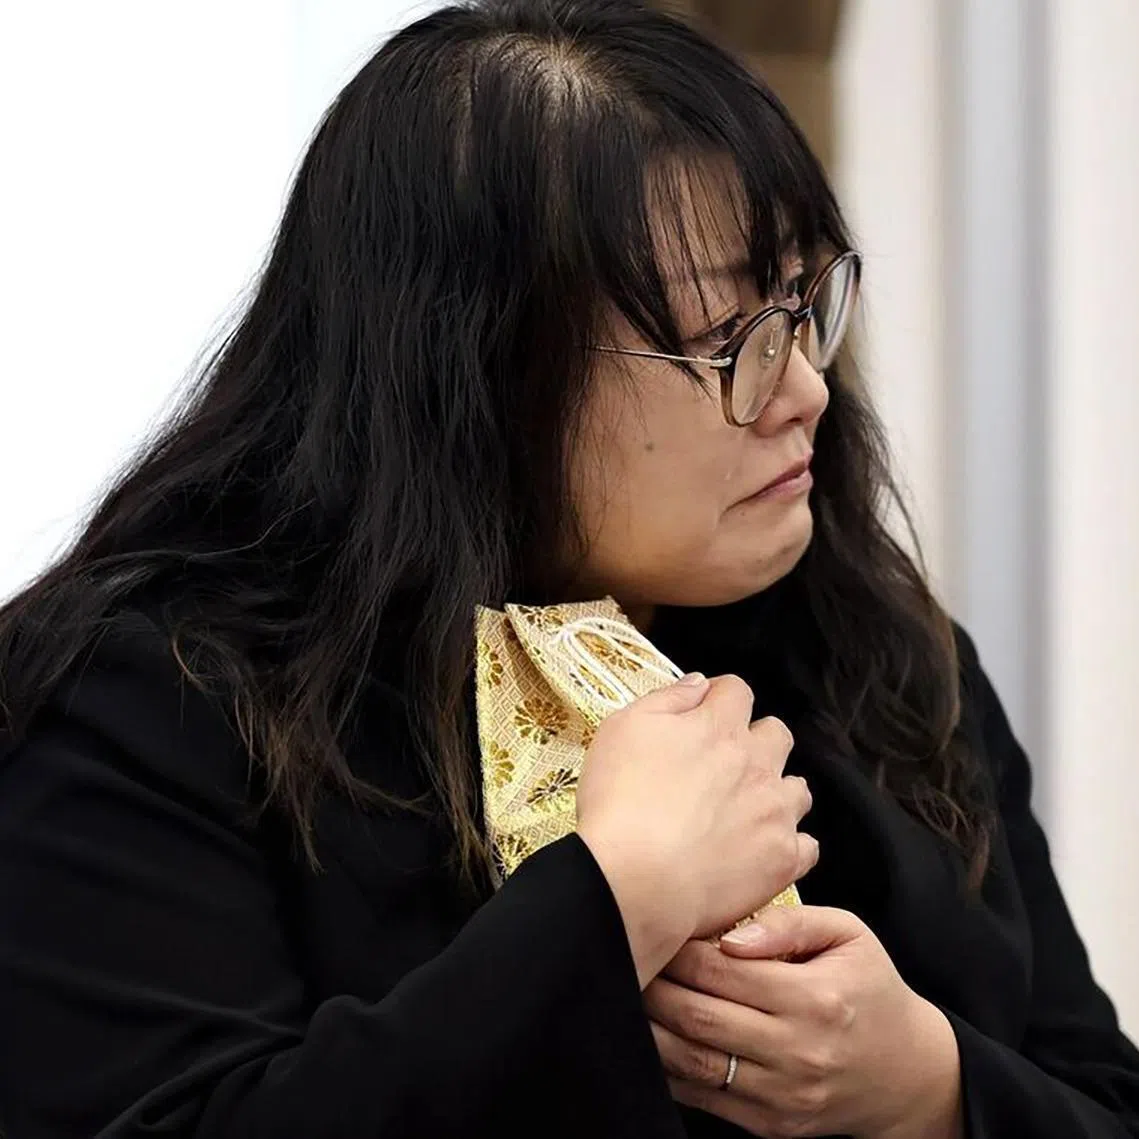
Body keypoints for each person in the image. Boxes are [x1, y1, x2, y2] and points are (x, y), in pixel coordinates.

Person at [1, 0, 1137, 1135]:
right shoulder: (157, 698)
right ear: (474, 373)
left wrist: (928, 1086)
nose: (804, 392)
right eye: (722, 341)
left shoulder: (880, 649)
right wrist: (612, 901)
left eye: (800, 307)